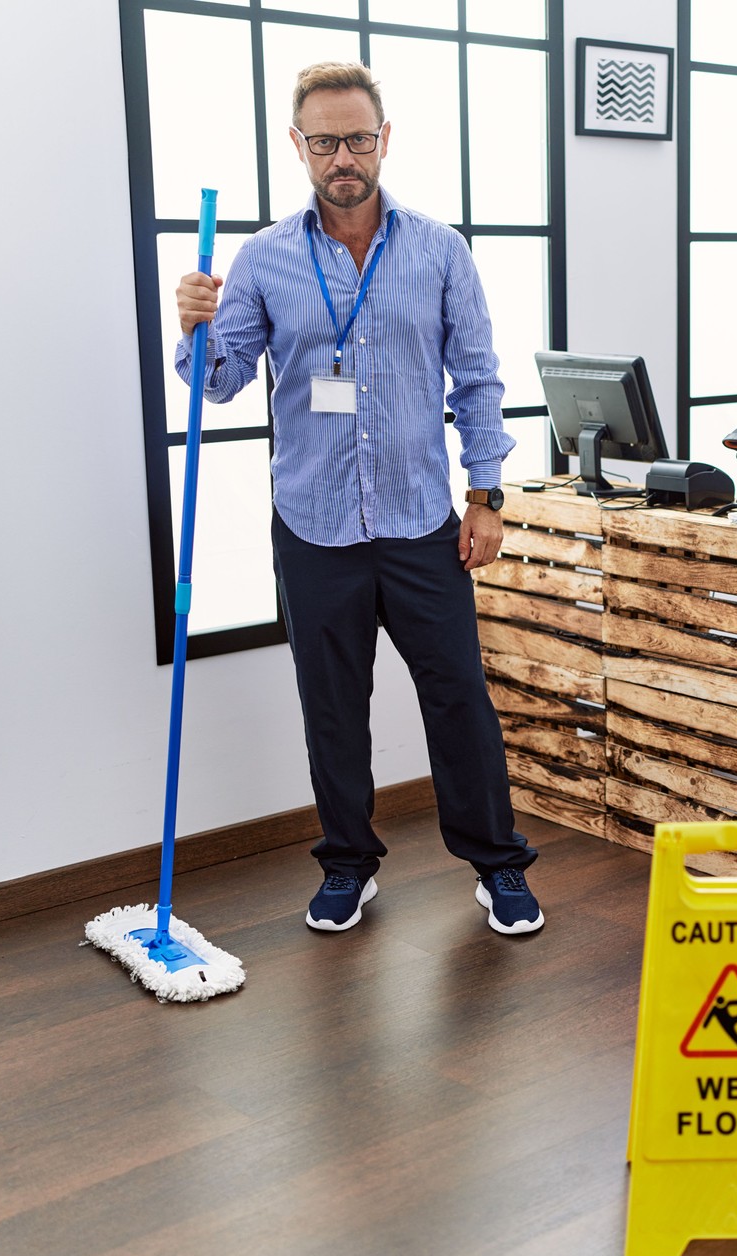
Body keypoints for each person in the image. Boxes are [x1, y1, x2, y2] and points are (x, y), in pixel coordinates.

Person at [172, 61, 542, 936]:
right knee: (332, 709)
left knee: (458, 698)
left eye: (360, 137)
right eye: (327, 140)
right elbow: (217, 383)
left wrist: (485, 495)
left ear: (386, 141)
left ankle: (498, 863)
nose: (346, 156)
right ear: (299, 147)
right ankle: (347, 865)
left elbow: (479, 380)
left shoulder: (439, 249)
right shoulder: (263, 258)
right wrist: (190, 322)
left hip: (421, 522)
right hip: (315, 526)